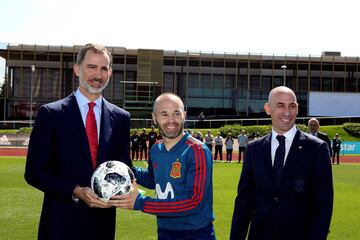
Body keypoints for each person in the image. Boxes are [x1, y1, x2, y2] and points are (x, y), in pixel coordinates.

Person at [24, 43, 132, 240]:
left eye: (103, 68)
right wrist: (75, 191)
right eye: (91, 67)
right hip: (60, 225)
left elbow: (123, 167)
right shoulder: (51, 114)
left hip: (102, 225)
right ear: (77, 69)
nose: (98, 75)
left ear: (110, 73)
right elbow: (33, 172)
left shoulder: (121, 118)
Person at [230, 86, 333, 240]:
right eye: (280, 105)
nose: (287, 112)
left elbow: (323, 206)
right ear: (268, 108)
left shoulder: (316, 149)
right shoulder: (254, 149)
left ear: (297, 109)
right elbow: (244, 202)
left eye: (292, 106)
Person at [109, 93, 216, 240]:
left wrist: (140, 203)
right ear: (154, 118)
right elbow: (154, 180)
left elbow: (194, 202)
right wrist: (128, 171)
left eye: (176, 113)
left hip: (196, 234)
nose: (171, 120)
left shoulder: (197, 151)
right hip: (164, 232)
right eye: (164, 114)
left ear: (184, 115)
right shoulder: (155, 149)